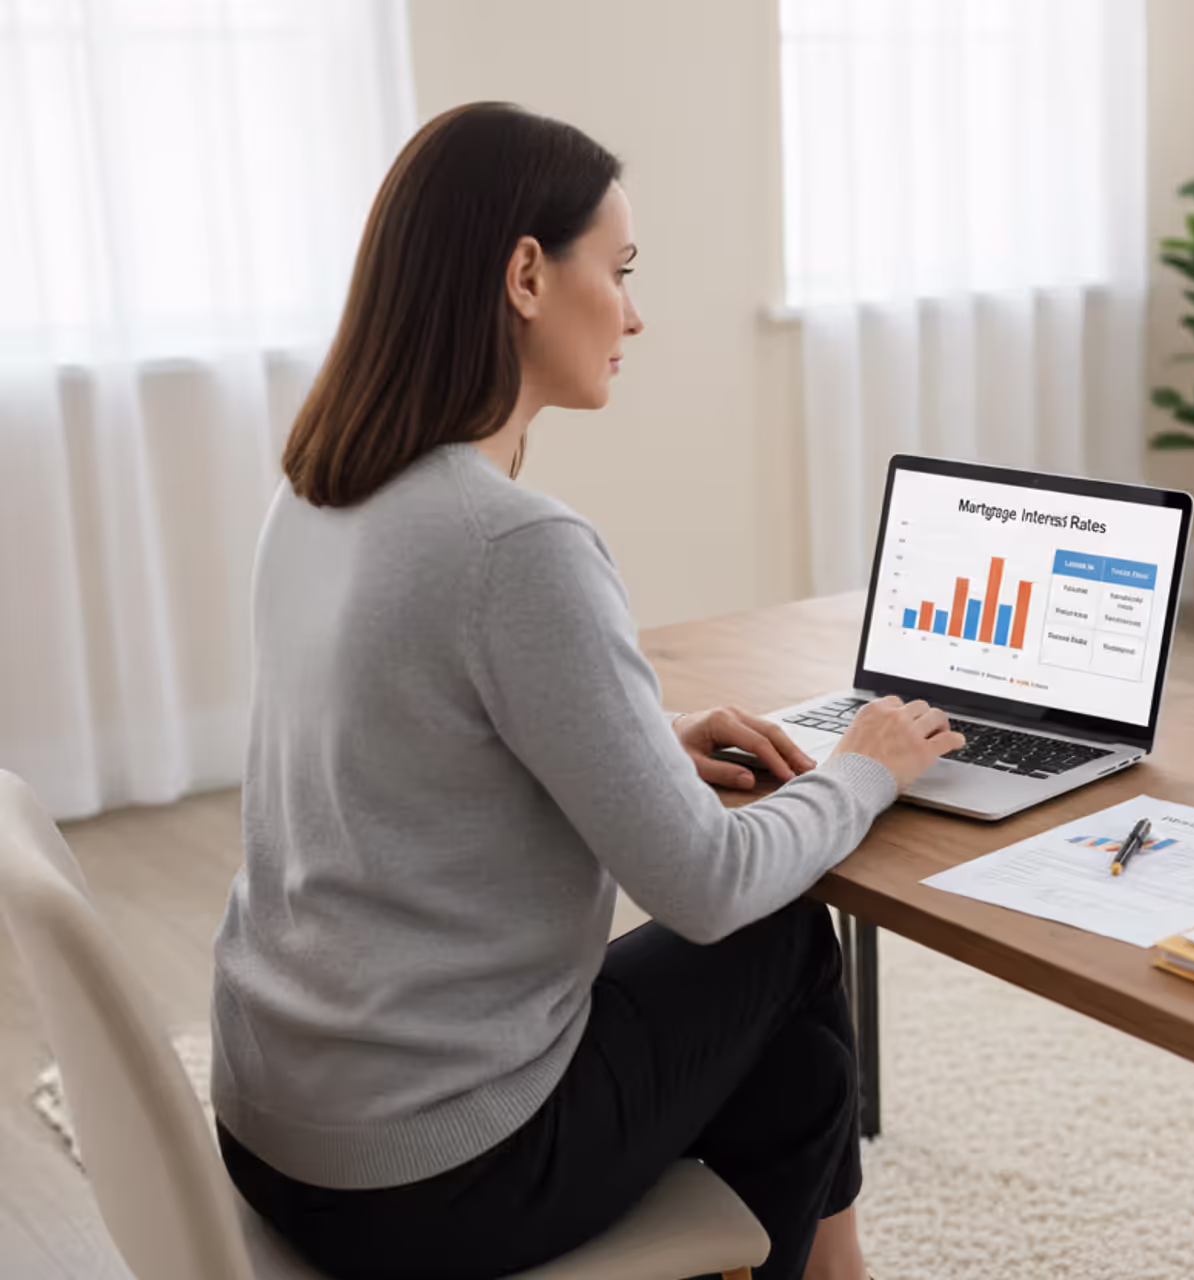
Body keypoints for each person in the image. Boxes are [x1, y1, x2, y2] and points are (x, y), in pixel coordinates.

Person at [209, 101, 962, 1280]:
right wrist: (867, 764)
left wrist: (642, 736)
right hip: (431, 1176)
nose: (636, 311)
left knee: (798, 1068)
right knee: (780, 935)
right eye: (617, 270)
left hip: (280, 1126)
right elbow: (708, 888)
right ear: (524, 275)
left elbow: (400, 733)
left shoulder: (315, 488)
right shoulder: (514, 543)